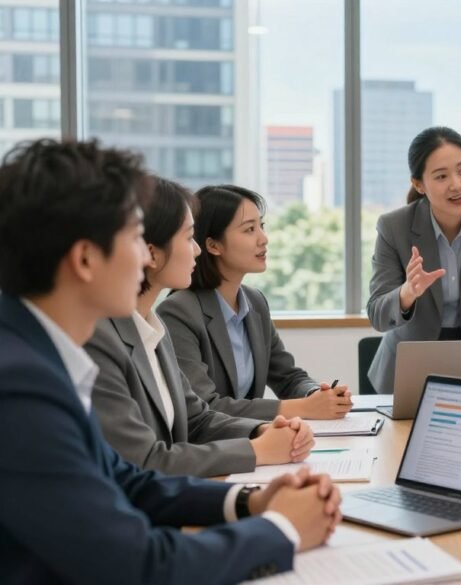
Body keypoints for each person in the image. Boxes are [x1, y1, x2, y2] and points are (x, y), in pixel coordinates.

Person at [0, 139, 341, 584]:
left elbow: (126, 479)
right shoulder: (19, 385)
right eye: (134, 239)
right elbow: (139, 565)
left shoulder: (38, 353)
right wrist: (283, 528)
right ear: (84, 258)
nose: (145, 256)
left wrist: (249, 502)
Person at [86, 178, 315, 477]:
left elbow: (197, 419)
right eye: (188, 238)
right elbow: (144, 460)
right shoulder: (103, 338)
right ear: (151, 253)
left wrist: (263, 431)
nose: (196, 251)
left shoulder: (153, 329)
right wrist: (257, 450)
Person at [158, 184, 352, 420]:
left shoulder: (254, 302)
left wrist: (317, 396)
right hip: (214, 448)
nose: (263, 239)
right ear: (213, 245)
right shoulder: (178, 312)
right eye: (249, 229)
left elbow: (288, 377)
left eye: (261, 226)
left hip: (253, 439)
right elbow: (204, 406)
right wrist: (302, 408)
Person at [366, 126, 461, 394]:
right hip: (407, 369)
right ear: (419, 184)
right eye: (441, 176)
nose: (457, 184)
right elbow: (378, 315)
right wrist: (406, 293)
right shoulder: (394, 227)